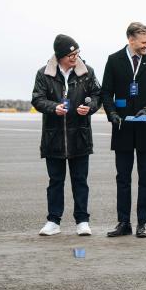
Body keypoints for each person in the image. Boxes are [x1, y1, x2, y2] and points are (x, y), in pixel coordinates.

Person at [100, 22, 146, 239]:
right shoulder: (114, 60)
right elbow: (106, 93)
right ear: (131, 39)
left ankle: (142, 223)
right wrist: (111, 114)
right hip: (122, 128)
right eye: (143, 42)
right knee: (123, 178)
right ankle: (123, 223)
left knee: (145, 178)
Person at [31, 34, 102, 237]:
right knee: (55, 181)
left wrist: (89, 107)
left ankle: (82, 221)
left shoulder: (87, 72)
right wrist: (54, 108)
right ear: (60, 55)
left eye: (77, 53)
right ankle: (53, 221)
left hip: (79, 136)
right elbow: (37, 99)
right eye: (71, 54)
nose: (75, 57)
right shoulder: (44, 74)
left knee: (80, 180)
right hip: (54, 138)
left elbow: (98, 95)